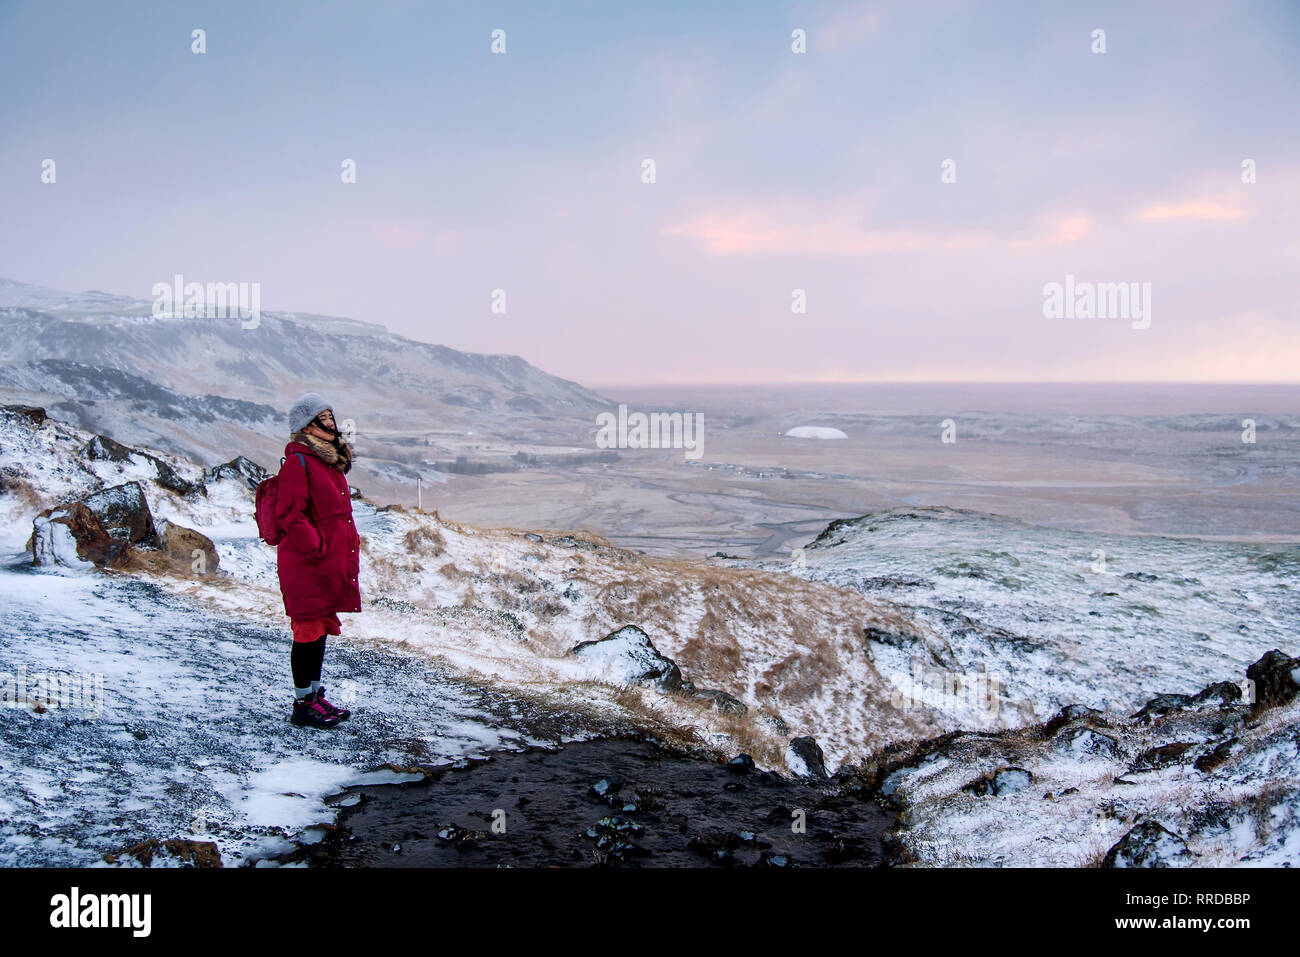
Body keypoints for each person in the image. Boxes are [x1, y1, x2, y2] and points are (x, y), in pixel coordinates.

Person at [276, 393, 361, 729]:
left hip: (325, 564)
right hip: (307, 564)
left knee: (320, 630)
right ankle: (302, 705)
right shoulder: (299, 462)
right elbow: (289, 514)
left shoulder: (327, 460)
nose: (331, 422)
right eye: (322, 417)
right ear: (306, 426)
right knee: (307, 631)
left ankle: (313, 696)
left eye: (330, 415)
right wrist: (317, 548)